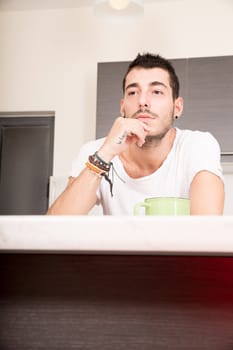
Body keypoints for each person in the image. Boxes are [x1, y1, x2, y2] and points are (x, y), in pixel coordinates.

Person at [48, 53, 224, 215]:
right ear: (122, 106)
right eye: (133, 92)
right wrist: (106, 153)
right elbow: (53, 228)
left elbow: (207, 227)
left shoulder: (198, 145)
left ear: (177, 107)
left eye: (156, 92)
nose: (142, 102)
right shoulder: (96, 152)